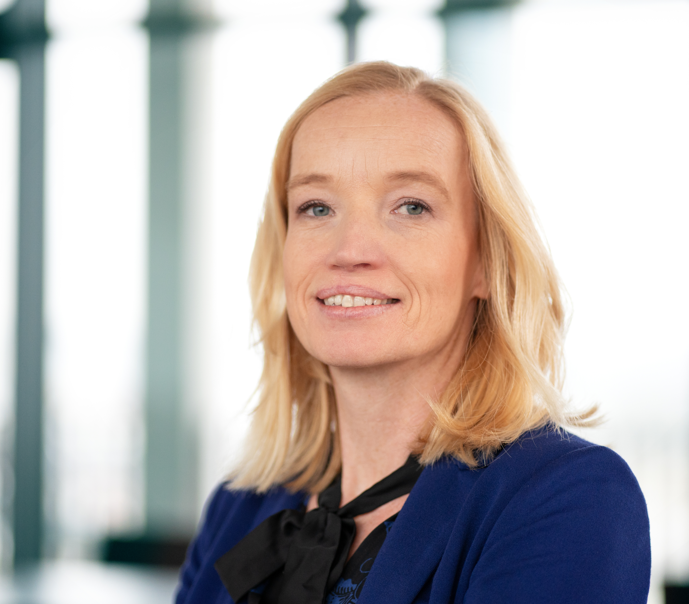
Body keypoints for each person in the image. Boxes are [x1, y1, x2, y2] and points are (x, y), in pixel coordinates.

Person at [174, 62, 651, 604]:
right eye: (316, 207)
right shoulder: (238, 506)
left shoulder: (570, 498)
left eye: (411, 207)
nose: (349, 250)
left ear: (486, 263)